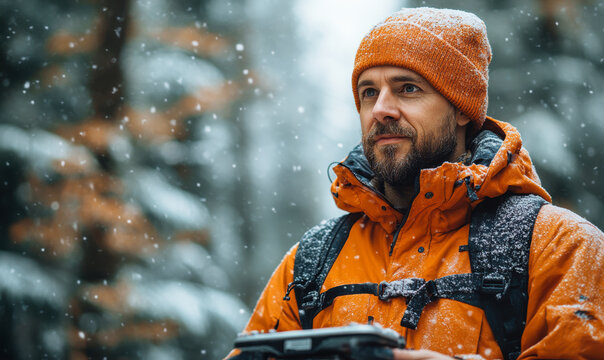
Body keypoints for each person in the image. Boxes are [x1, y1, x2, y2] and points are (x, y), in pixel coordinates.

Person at [228, 7, 604, 360]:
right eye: (369, 92)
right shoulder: (310, 262)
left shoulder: (559, 247)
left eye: (407, 88)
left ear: (461, 108)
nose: (380, 109)